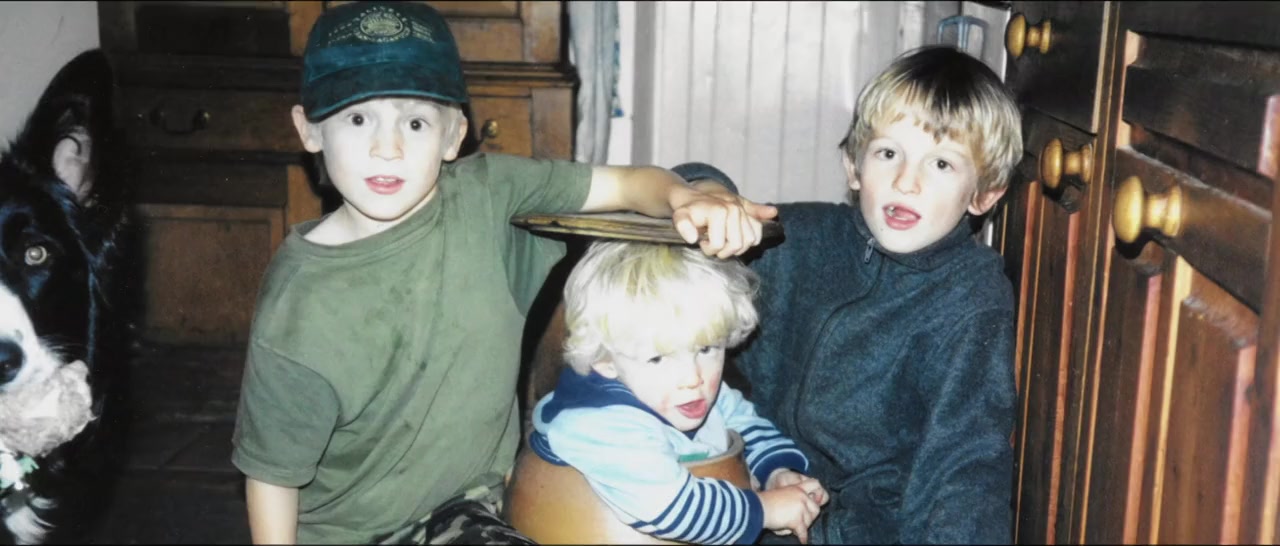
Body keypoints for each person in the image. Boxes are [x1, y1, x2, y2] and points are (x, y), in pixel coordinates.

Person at [229, 2, 777, 544]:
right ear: (309, 130)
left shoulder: (491, 196)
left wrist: (689, 196)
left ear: (453, 135)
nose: (387, 148)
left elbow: (629, 184)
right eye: (357, 118)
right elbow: (272, 475)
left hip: (465, 512)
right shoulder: (299, 302)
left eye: (415, 122)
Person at [691, 45, 1023, 543]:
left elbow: (968, 462)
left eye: (941, 164)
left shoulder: (972, 296)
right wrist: (708, 194)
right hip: (756, 489)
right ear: (854, 166)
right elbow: (689, 207)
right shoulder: (805, 237)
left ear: (984, 195)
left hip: (868, 529)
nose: (906, 182)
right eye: (888, 154)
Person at [529, 240, 829, 545]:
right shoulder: (597, 426)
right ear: (605, 361)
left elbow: (744, 423)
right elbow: (671, 507)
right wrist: (765, 510)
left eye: (706, 349)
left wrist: (775, 472)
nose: (692, 378)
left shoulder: (689, 393)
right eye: (658, 358)